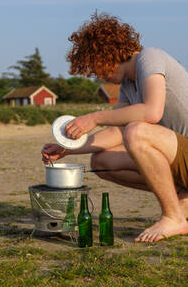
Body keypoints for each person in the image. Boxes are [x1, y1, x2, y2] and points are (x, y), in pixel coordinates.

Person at [42, 12, 188, 243]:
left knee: (136, 132)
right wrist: (69, 149)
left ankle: (174, 217)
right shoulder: (128, 86)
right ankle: (182, 199)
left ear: (109, 53)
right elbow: (116, 131)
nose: (98, 75)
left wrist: (95, 117)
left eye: (97, 67)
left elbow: (151, 111)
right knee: (101, 162)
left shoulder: (149, 58)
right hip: (180, 156)